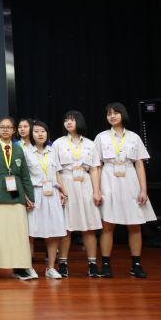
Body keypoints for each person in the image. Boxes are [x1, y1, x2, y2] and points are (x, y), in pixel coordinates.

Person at [94, 102, 156, 279]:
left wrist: (143, 190)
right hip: (108, 180)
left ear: (123, 115)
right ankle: (106, 264)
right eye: (109, 114)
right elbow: (97, 166)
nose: (112, 116)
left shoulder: (134, 137)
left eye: (116, 113)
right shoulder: (101, 137)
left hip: (130, 181)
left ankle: (136, 264)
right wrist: (97, 189)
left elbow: (139, 164)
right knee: (107, 225)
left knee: (134, 225)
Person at [0, 117, 34, 281]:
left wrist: (30, 197)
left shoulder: (18, 150)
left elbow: (25, 175)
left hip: (17, 197)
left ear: (14, 131)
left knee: (19, 234)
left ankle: (20, 268)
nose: (5, 130)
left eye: (8, 127)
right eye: (2, 127)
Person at [56, 111, 102, 278]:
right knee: (66, 228)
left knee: (88, 226)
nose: (68, 123)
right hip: (66, 183)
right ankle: (62, 263)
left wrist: (96, 190)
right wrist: (61, 190)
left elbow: (94, 169)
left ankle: (92, 264)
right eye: (66, 120)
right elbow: (55, 170)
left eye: (72, 120)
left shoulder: (90, 144)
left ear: (80, 122)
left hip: (85, 183)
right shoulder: (58, 143)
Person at [25, 120, 68, 280]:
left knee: (53, 232)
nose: (40, 134)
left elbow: (57, 173)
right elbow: (24, 177)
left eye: (43, 131)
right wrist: (26, 197)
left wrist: (63, 191)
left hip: (52, 193)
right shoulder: (26, 152)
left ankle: (50, 267)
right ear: (31, 134)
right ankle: (28, 267)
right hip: (35, 193)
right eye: (36, 131)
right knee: (31, 232)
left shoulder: (52, 151)